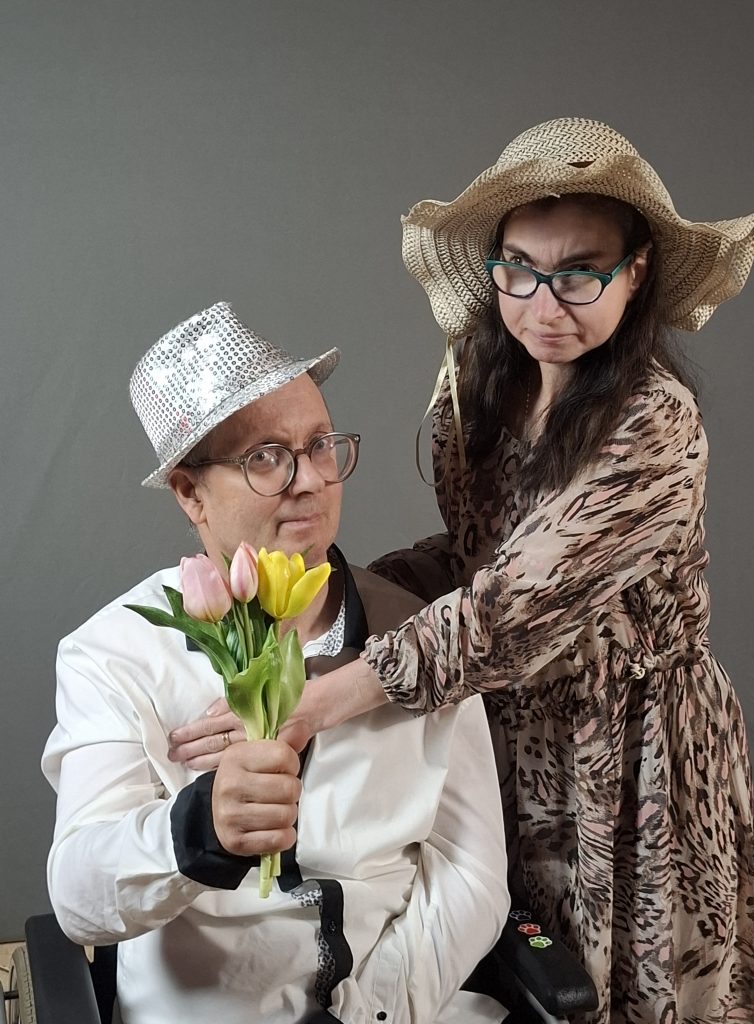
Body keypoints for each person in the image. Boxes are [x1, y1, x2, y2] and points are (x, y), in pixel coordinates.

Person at [172, 120, 754, 1024]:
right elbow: (478, 555)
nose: (543, 304)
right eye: (519, 269)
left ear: (636, 272)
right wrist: (329, 595)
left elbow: (511, 606)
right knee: (507, 949)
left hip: (631, 747)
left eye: (580, 272)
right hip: (502, 724)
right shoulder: (478, 384)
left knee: (627, 987)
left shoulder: (656, 423)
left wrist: (314, 694)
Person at [42, 301, 511, 1024]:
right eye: (265, 456)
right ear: (189, 492)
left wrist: (375, 1010)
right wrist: (198, 830)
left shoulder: (422, 641)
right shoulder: (114, 653)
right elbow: (79, 896)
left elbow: (471, 872)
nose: (310, 480)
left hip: (403, 1004)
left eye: (320, 445)